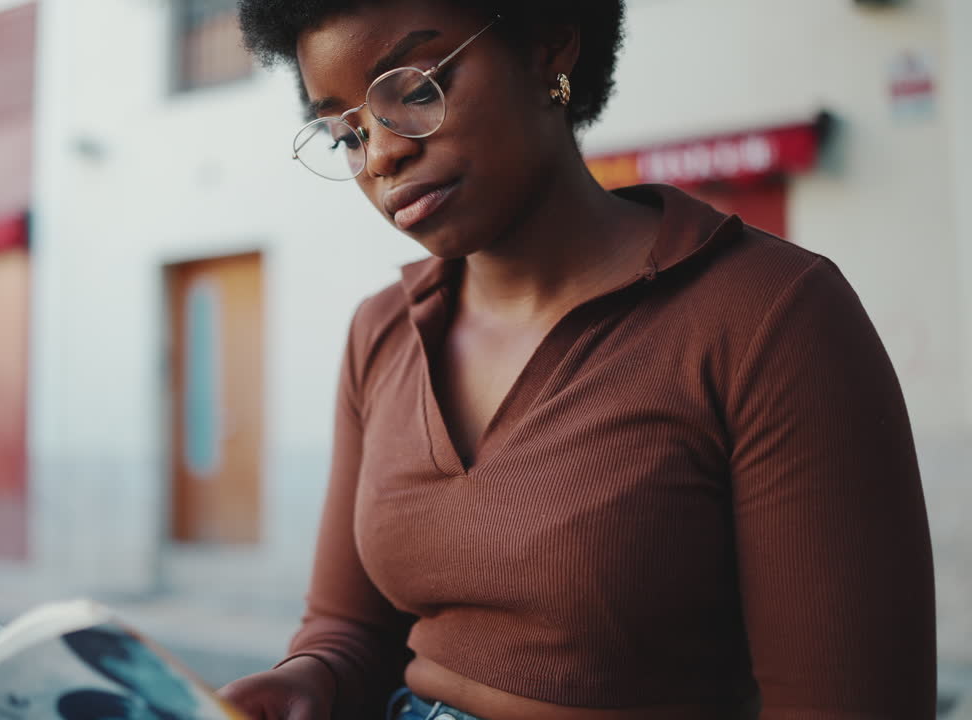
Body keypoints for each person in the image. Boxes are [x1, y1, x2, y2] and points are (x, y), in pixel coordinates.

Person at [217, 1, 937, 718]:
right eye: (346, 130)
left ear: (547, 47)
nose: (381, 155)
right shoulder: (382, 333)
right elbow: (352, 628)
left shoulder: (769, 317)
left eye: (415, 90)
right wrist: (312, 677)